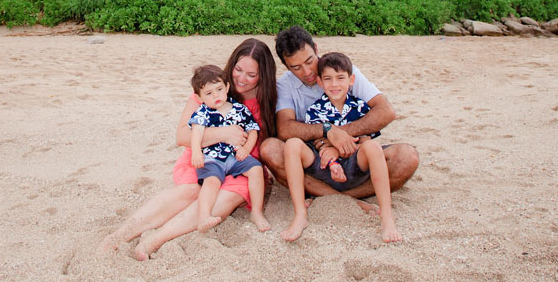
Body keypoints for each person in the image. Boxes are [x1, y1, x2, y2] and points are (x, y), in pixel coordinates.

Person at [100, 38, 277, 260]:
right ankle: (121, 235)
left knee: (227, 198)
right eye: (238, 70)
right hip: (207, 155)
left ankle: (156, 239)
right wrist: (223, 133)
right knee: (192, 190)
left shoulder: (270, 98)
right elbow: (182, 136)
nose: (241, 79)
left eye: (251, 75)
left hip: (241, 163)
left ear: (264, 75)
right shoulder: (211, 89)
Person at [260, 26, 419, 211]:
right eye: (296, 67)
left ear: (316, 48)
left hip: (355, 152)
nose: (307, 72)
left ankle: (339, 197)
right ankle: (340, 198)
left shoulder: (341, 70)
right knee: (270, 149)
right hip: (315, 160)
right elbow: (285, 129)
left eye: (309, 61)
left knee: (408, 157)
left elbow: (386, 111)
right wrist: (328, 131)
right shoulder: (285, 85)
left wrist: (340, 135)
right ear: (286, 66)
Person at [281, 52, 402, 243]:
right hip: (325, 165)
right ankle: (299, 215)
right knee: (292, 144)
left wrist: (338, 148)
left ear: (351, 80)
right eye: (328, 79)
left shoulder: (361, 107)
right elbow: (318, 143)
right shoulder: (315, 110)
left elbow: (365, 138)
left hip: (354, 162)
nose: (334, 84)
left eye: (340, 78)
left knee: (373, 146)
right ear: (320, 82)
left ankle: (387, 217)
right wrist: (333, 163)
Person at [188, 64, 270, 233]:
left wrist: (246, 149)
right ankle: (204, 216)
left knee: (255, 169)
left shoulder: (239, 109)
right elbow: (196, 132)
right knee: (211, 182)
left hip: (235, 156)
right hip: (213, 157)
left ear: (227, 87)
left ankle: (256, 212)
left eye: (219, 89)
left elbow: (252, 129)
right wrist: (196, 152)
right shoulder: (203, 112)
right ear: (200, 97)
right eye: (209, 93)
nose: (216, 95)